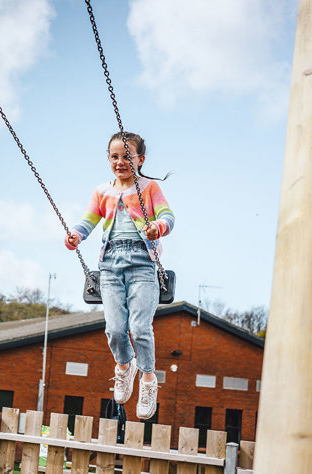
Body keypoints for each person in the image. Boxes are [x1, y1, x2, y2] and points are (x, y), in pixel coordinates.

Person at [64, 131, 174, 419]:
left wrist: (157, 227)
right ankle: (125, 366)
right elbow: (89, 219)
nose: (120, 161)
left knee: (139, 328)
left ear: (140, 159)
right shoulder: (103, 191)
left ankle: (148, 379)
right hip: (110, 264)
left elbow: (167, 216)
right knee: (114, 329)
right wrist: (76, 234)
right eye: (115, 156)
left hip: (142, 262)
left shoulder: (148, 188)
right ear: (108, 159)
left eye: (127, 156)